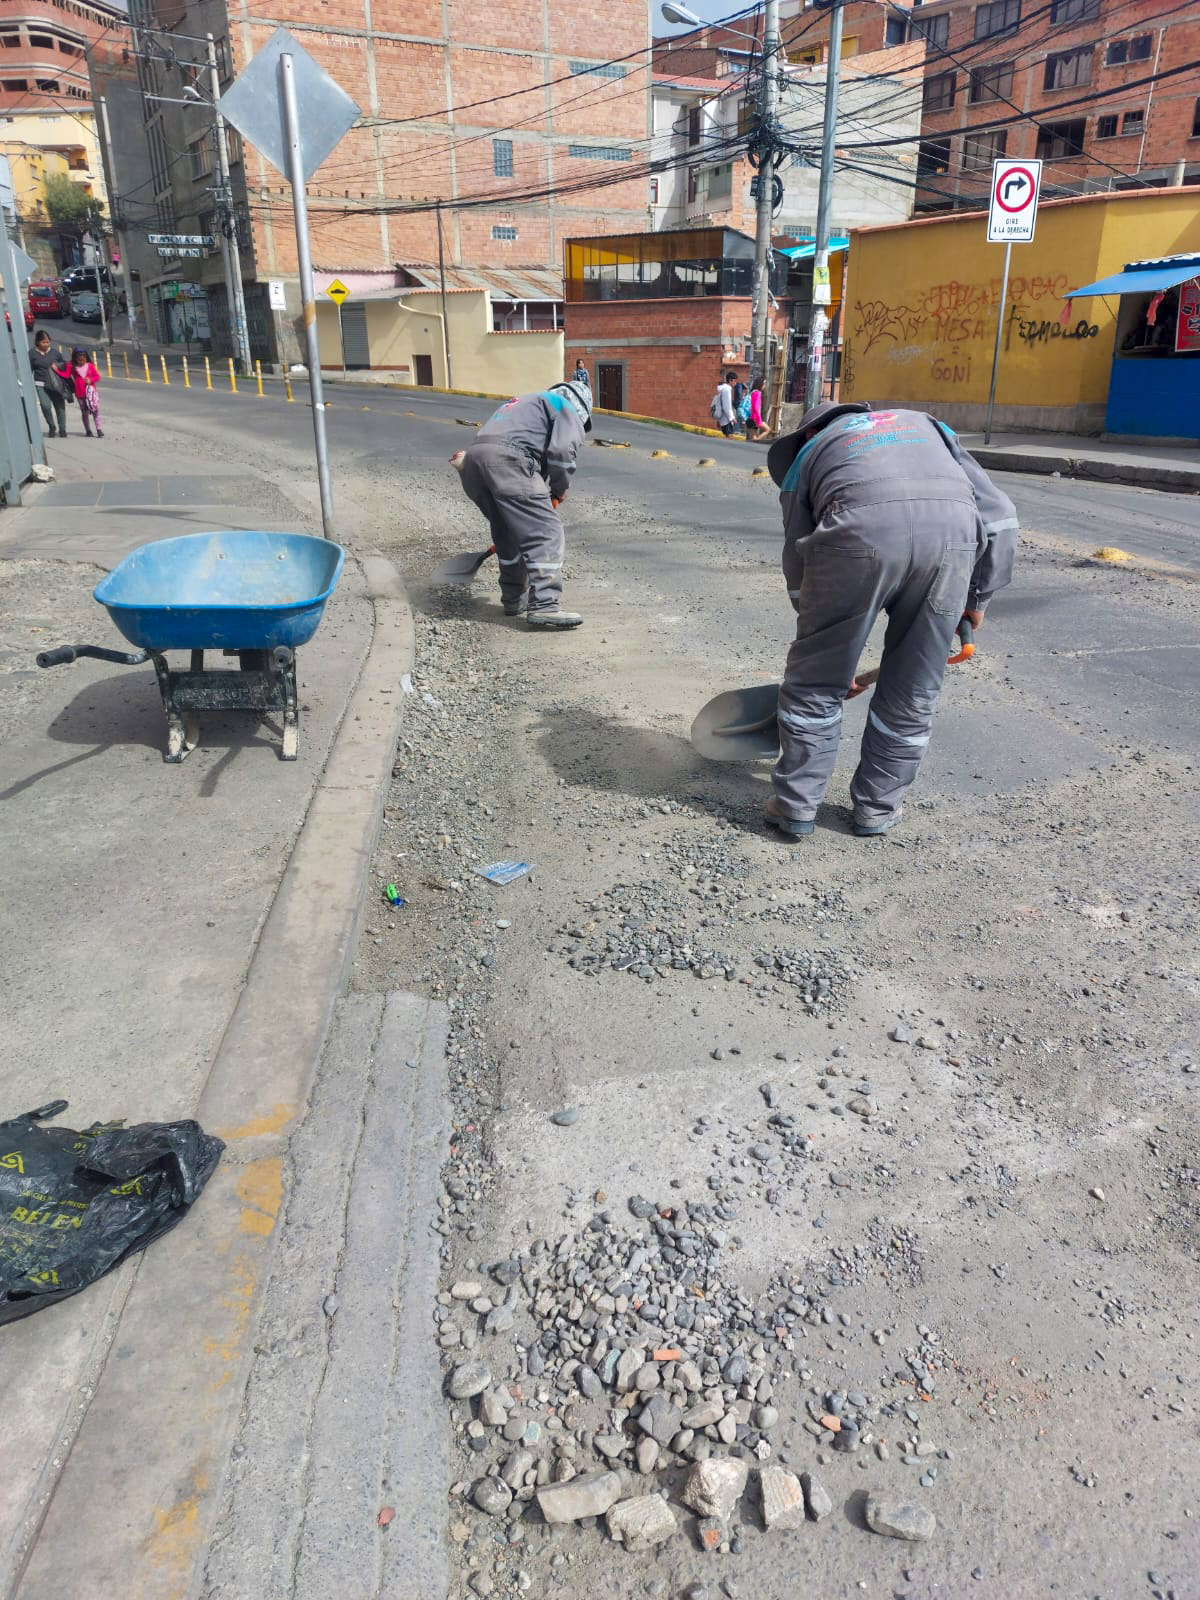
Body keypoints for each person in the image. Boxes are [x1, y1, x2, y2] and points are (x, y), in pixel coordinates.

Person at [763, 401, 1018, 839]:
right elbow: (1000, 516)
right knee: (913, 688)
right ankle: (877, 809)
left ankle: (796, 806)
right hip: (952, 539)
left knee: (814, 686)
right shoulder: (929, 426)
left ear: (808, 433)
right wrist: (979, 595)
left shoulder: (810, 453)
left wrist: (826, 644)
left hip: (857, 538)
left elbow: (797, 555)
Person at [457, 380, 592, 629]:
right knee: (546, 532)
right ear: (582, 410)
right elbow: (562, 452)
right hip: (508, 460)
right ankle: (545, 605)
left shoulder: (529, 401)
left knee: (508, 531)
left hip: (473, 463)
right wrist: (560, 488)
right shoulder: (566, 406)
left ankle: (513, 599)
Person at [29, 329, 69, 438]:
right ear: (38, 342)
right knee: (45, 406)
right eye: (43, 342)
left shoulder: (55, 353)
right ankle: (51, 426)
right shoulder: (32, 353)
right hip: (40, 384)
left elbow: (64, 364)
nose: (46, 344)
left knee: (60, 406)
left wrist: (58, 366)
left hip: (56, 384)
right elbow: (28, 368)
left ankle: (62, 429)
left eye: (48, 342)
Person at [67, 347, 103, 438]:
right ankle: (88, 430)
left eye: (83, 360)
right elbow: (66, 374)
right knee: (84, 412)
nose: (82, 362)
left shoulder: (90, 366)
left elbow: (97, 377)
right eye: (79, 360)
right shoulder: (73, 367)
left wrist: (91, 380)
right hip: (80, 394)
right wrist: (57, 369)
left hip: (91, 393)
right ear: (75, 359)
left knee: (95, 410)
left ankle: (99, 429)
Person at [711, 371, 736, 436]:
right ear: (730, 380)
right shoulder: (726, 390)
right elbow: (727, 406)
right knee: (729, 437)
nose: (735, 383)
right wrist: (732, 418)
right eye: (734, 381)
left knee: (728, 436)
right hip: (726, 419)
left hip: (723, 418)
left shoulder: (723, 389)